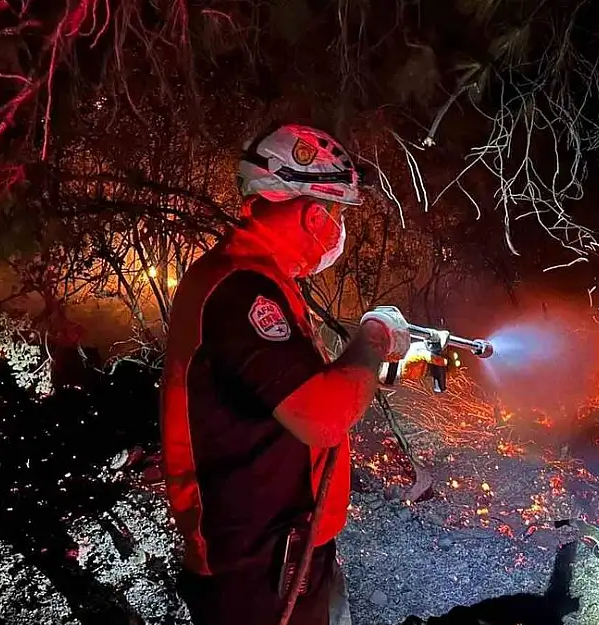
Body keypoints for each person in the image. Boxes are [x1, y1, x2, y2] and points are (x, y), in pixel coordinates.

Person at [160, 124, 425, 625]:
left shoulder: (259, 281)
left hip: (284, 550)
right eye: (337, 213)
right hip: (255, 568)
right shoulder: (240, 291)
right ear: (311, 212)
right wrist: (373, 335)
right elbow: (322, 416)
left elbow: (298, 391)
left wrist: (374, 362)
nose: (338, 228)